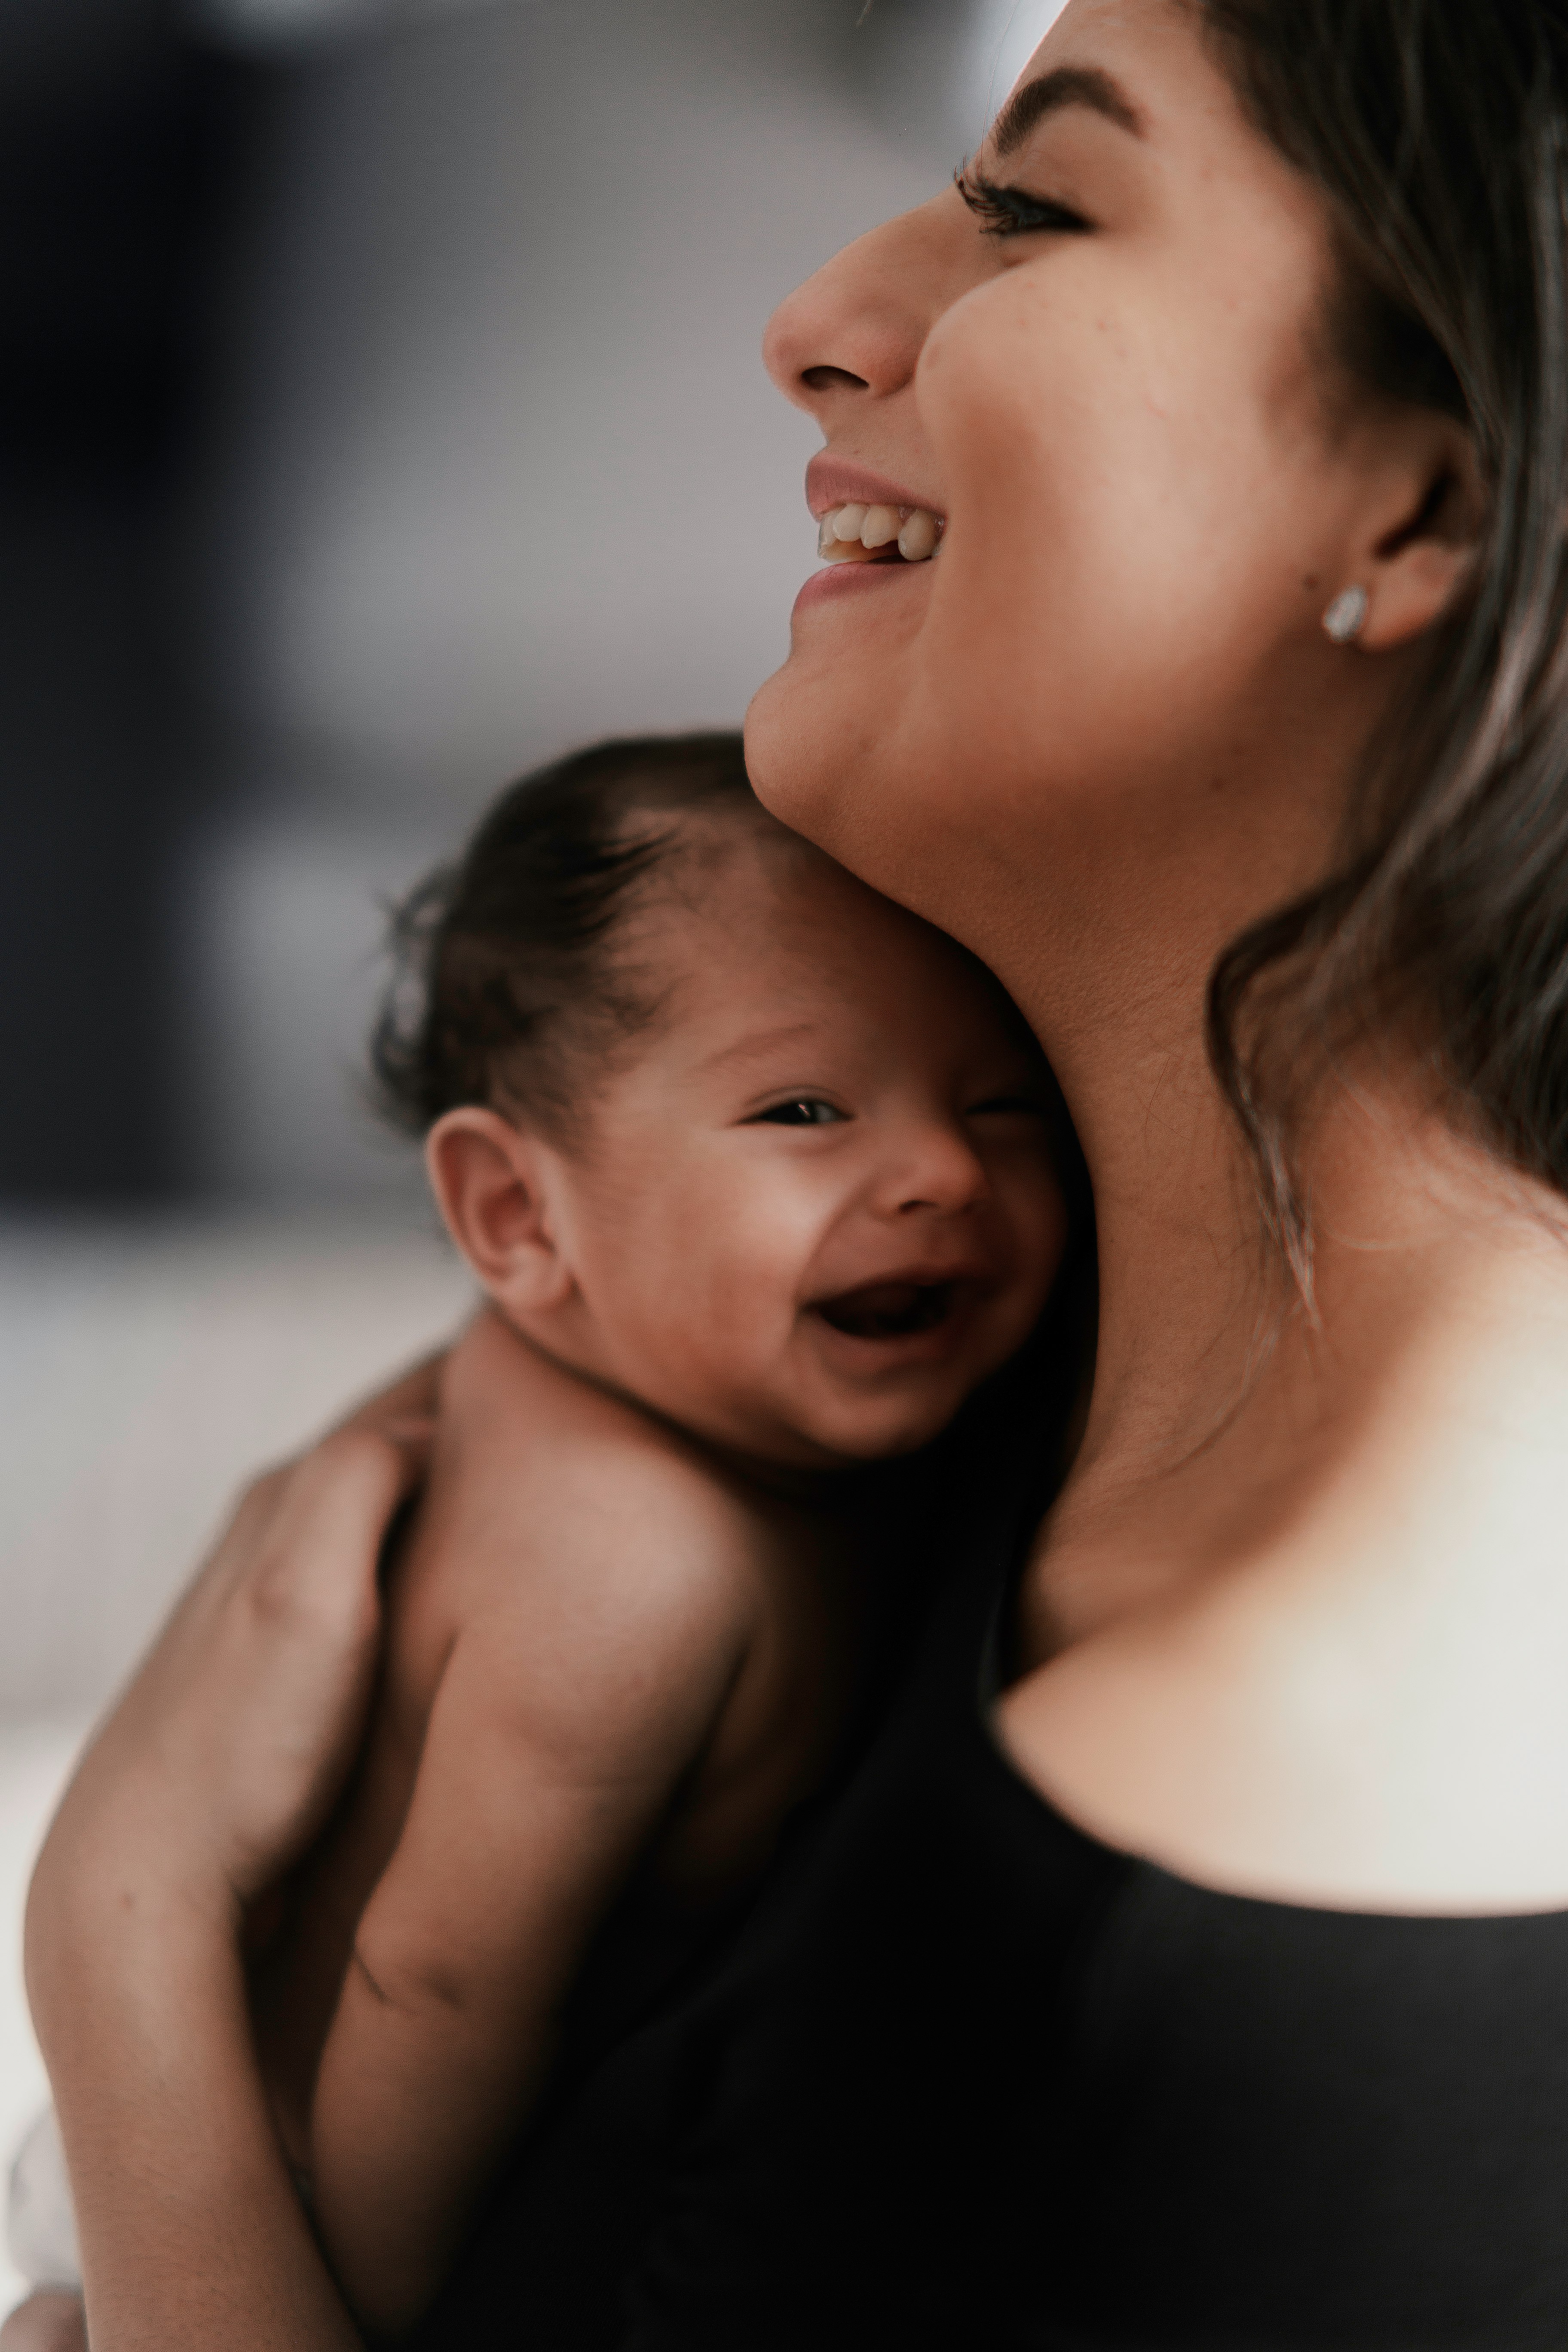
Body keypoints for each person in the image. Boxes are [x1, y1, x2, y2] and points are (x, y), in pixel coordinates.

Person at [12, 0, 1568, 2343]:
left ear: (1429, 498)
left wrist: (122, 1945)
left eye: (1039, 207)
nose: (814, 321)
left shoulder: (1235, 1921)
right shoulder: (995, 1349)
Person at [5, 732, 1069, 2338]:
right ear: (516, 1217)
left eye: (1002, 1104)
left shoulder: (606, 1374)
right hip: (282, 2157)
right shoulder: (637, 1567)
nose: (938, 1172)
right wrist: (350, 2309)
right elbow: (434, 1987)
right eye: (803, 1108)